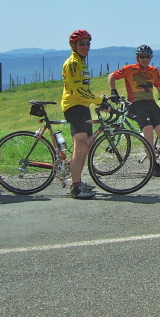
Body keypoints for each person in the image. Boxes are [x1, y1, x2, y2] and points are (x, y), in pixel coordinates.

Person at [108, 45, 160, 176]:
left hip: (151, 103)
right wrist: (113, 91)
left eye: (147, 57)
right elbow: (111, 76)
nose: (145, 59)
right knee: (148, 132)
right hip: (136, 104)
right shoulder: (128, 69)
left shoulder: (154, 70)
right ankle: (153, 165)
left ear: (151, 58)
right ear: (137, 57)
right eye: (142, 57)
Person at [61, 30, 101, 199]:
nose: (86, 47)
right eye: (82, 43)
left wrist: (98, 99)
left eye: (88, 43)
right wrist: (100, 101)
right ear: (73, 45)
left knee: (87, 145)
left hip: (83, 106)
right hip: (74, 106)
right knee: (81, 143)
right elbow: (77, 90)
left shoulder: (81, 63)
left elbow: (85, 89)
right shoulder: (72, 63)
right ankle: (76, 187)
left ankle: (78, 180)